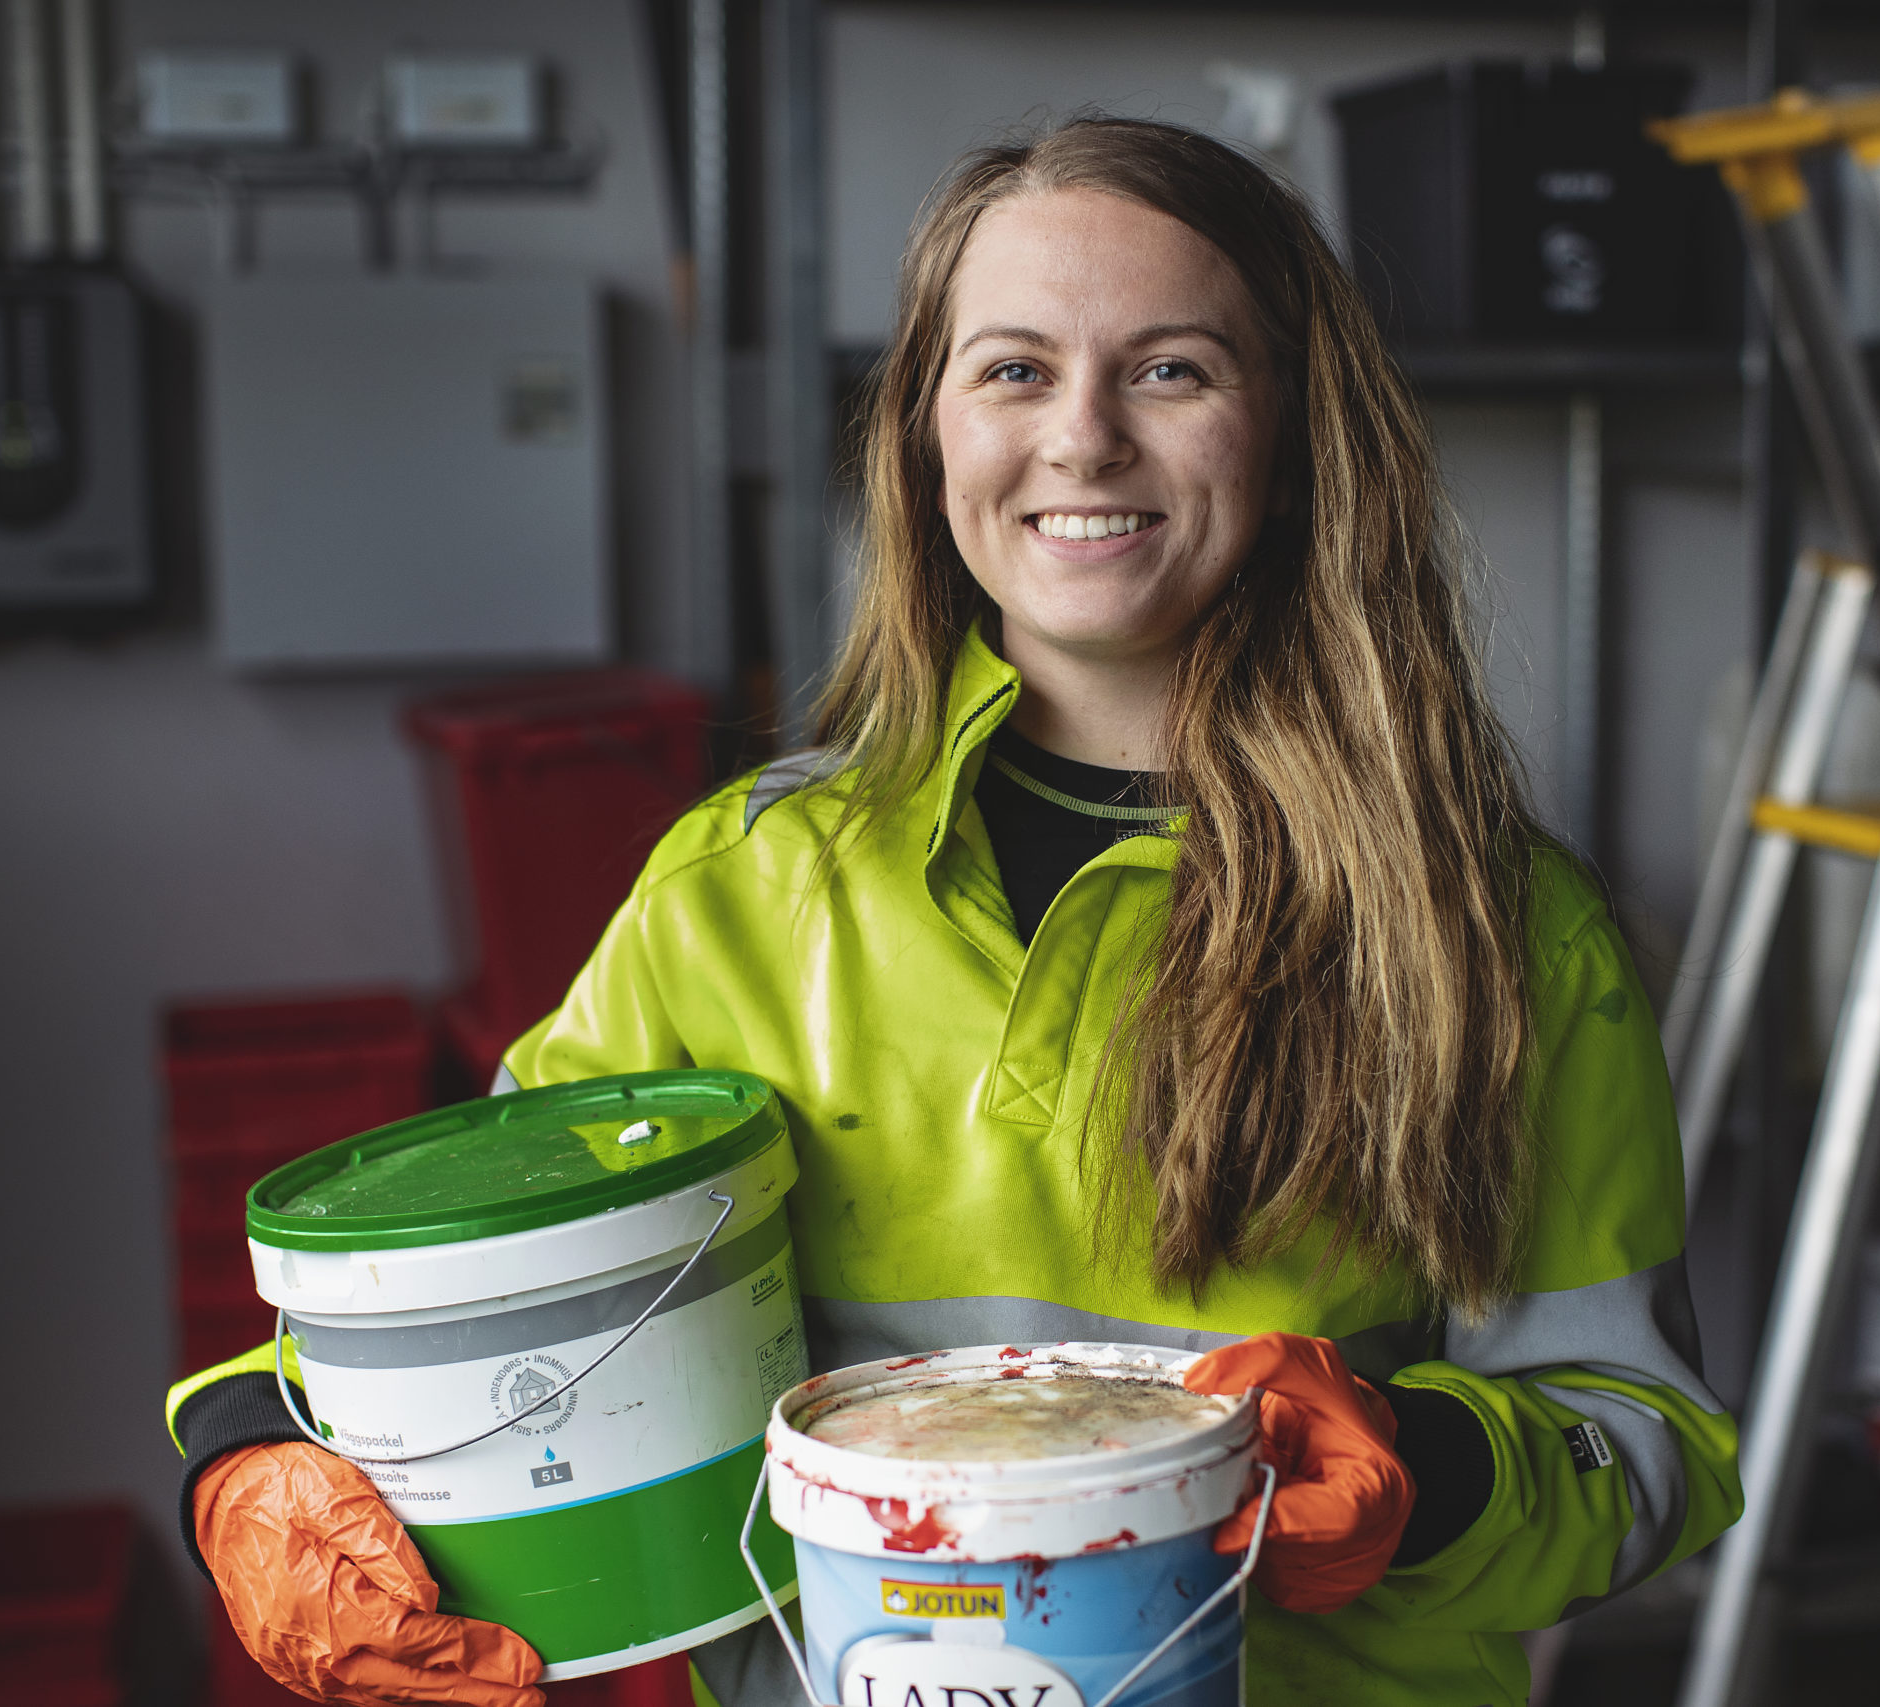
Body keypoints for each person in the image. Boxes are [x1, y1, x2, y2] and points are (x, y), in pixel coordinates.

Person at [166, 116, 1741, 1707]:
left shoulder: (1496, 931)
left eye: (1174, 370)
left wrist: (1430, 1471)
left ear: (1297, 438)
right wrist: (247, 1455)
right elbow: (467, 1292)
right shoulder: (748, 891)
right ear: (925, 438)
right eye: (1013, 371)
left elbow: (1645, 1441)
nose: (1085, 441)